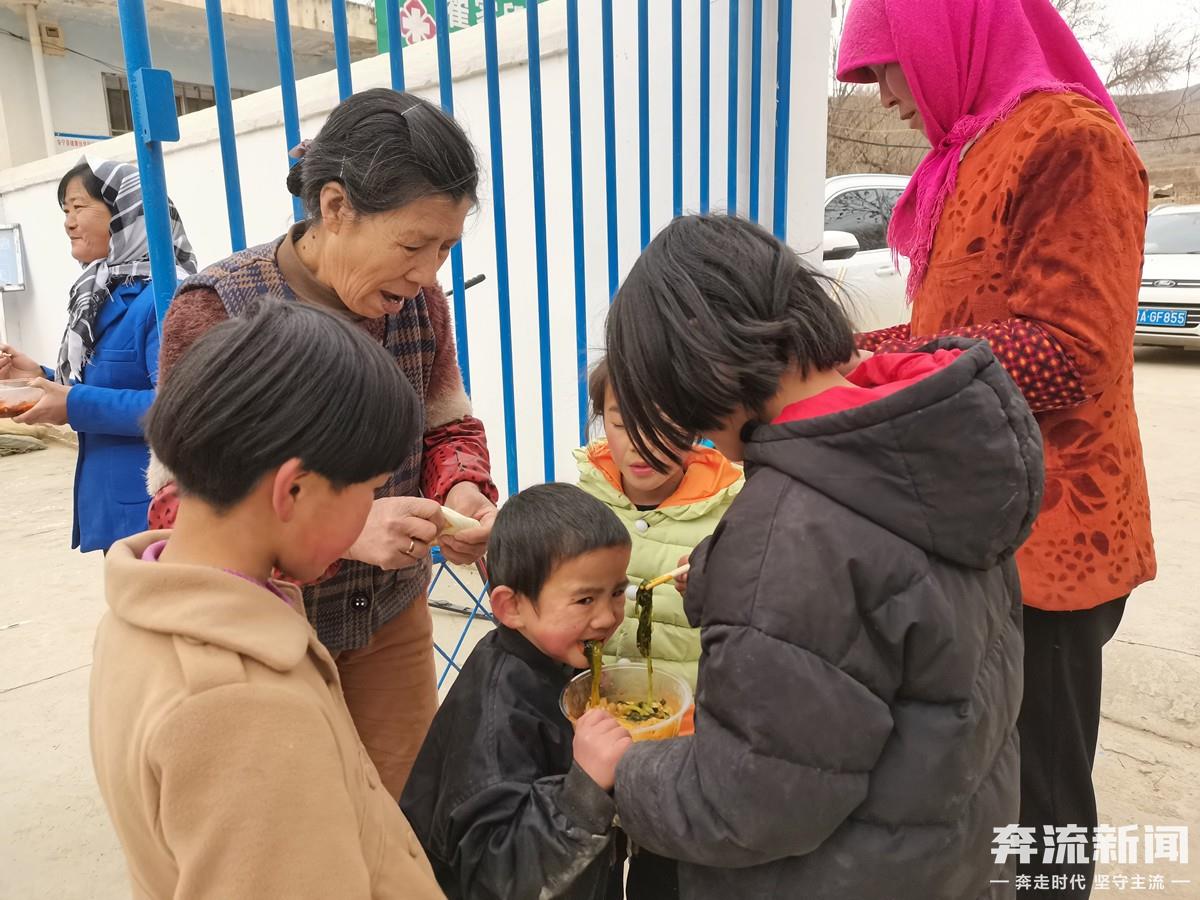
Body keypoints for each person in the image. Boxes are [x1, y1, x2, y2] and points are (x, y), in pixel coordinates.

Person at [602, 214, 1043, 900]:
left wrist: (622, 774)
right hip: (946, 859)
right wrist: (731, 583)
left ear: (696, 367)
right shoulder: (920, 445)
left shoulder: (788, 532)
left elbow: (748, 805)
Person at [836, 2, 1155, 894]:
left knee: (1042, 795)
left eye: (886, 65)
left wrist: (888, 371)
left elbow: (1072, 350)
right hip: (982, 528)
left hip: (1055, 543)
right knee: (989, 783)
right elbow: (956, 327)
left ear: (944, 36)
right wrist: (845, 354)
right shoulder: (970, 152)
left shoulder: (1071, 141)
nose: (883, 94)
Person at [147, 88, 498, 799]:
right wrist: (344, 528)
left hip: (392, 616)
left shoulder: (418, 303)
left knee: (408, 812)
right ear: (335, 207)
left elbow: (446, 425)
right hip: (265, 632)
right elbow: (175, 514)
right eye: (413, 245)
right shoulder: (219, 310)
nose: (428, 273)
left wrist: (460, 489)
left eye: (446, 248)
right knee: (300, 815)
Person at [90, 301, 444, 899]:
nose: (372, 507)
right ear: (294, 490)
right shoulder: (241, 710)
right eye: (371, 489)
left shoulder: (145, 602)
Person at [401, 483, 634, 900]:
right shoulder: (498, 716)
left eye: (617, 592)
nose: (607, 617)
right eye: (585, 599)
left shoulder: (562, 659)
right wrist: (586, 789)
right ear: (511, 607)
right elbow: (497, 871)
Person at [0, 159, 196, 553]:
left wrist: (72, 404)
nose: (69, 223)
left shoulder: (165, 298)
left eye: (79, 207)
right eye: (65, 211)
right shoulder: (100, 292)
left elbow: (178, 407)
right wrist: (40, 377)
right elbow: (107, 383)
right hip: (115, 511)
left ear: (126, 213)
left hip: (157, 513)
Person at [579, 357, 743, 690]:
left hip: (692, 711)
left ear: (695, 424)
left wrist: (720, 592)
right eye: (622, 424)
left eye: (663, 424)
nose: (640, 444)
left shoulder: (736, 512)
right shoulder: (579, 502)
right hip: (592, 708)